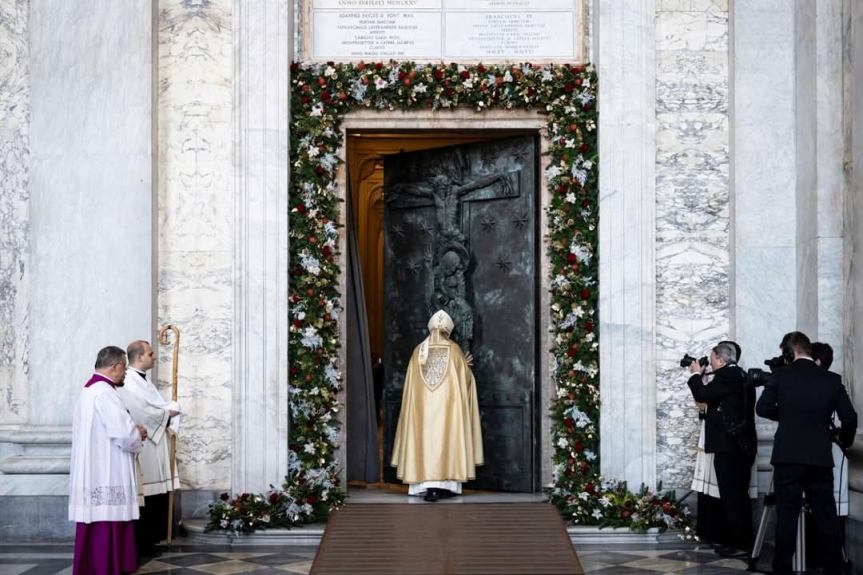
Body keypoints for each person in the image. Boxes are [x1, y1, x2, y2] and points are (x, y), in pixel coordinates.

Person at [756, 331, 857, 575]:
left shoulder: (780, 375)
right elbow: (850, 418)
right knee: (826, 516)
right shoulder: (832, 379)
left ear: (789, 353)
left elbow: (762, 408)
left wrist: (788, 417)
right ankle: (834, 568)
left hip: (787, 457)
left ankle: (782, 570)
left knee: (787, 516)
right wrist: (844, 439)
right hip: (819, 457)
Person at [391, 310, 483, 502]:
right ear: (447, 331)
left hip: (422, 411)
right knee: (448, 438)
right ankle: (445, 485)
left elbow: (410, 387)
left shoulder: (418, 351)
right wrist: (466, 368)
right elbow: (465, 380)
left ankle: (424, 484)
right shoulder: (455, 351)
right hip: (448, 410)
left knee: (422, 438)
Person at [69, 346, 147, 575]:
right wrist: (138, 433)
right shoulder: (105, 392)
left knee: (97, 518)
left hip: (95, 466)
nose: (125, 373)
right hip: (106, 467)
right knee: (108, 517)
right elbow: (122, 434)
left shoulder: (89, 390)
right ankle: (108, 566)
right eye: (124, 367)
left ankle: (94, 565)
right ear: (114, 367)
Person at [687, 342, 756, 557]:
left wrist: (696, 374)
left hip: (730, 448)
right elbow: (719, 403)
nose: (712, 362)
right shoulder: (739, 376)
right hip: (739, 447)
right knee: (736, 495)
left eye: (712, 358)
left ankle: (740, 544)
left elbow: (701, 393)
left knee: (732, 496)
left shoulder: (728, 376)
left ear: (721, 360)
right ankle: (740, 541)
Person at [115, 340, 181, 560]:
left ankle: (153, 539)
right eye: (150, 354)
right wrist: (167, 414)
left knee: (156, 495)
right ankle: (143, 542)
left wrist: (167, 410)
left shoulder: (145, 381)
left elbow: (155, 406)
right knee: (147, 495)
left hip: (156, 443)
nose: (154, 357)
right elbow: (140, 411)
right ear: (139, 357)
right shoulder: (129, 381)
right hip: (145, 445)